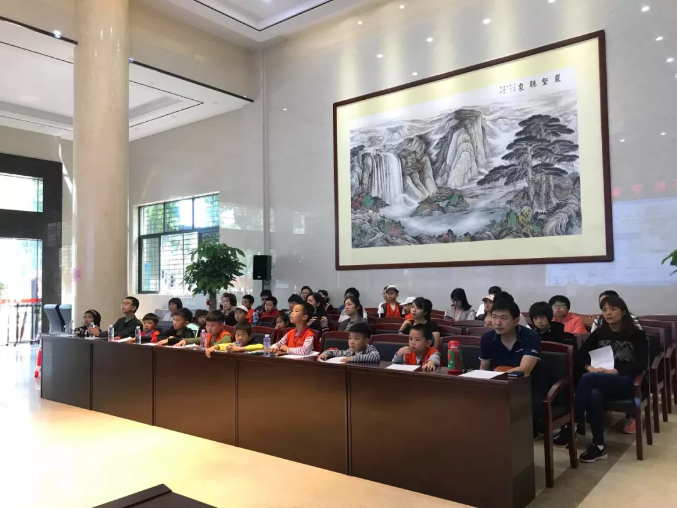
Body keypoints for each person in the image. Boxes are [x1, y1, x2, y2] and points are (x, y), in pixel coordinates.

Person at [559, 296, 649, 462]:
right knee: (594, 393)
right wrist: (589, 367)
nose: (608, 313)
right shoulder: (599, 334)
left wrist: (617, 370)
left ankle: (572, 423)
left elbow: (642, 363)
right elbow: (580, 356)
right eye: (605, 310)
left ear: (623, 312)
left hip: (626, 381)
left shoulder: (637, 335)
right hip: (599, 378)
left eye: (613, 309)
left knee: (588, 380)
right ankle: (599, 446)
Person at [479, 299, 545, 438]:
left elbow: (524, 370)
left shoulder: (531, 337)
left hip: (528, 387)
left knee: (520, 418)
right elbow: (483, 369)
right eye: (494, 317)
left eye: (503, 318)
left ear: (516, 321)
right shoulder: (487, 338)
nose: (497, 323)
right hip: (499, 385)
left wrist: (496, 375)